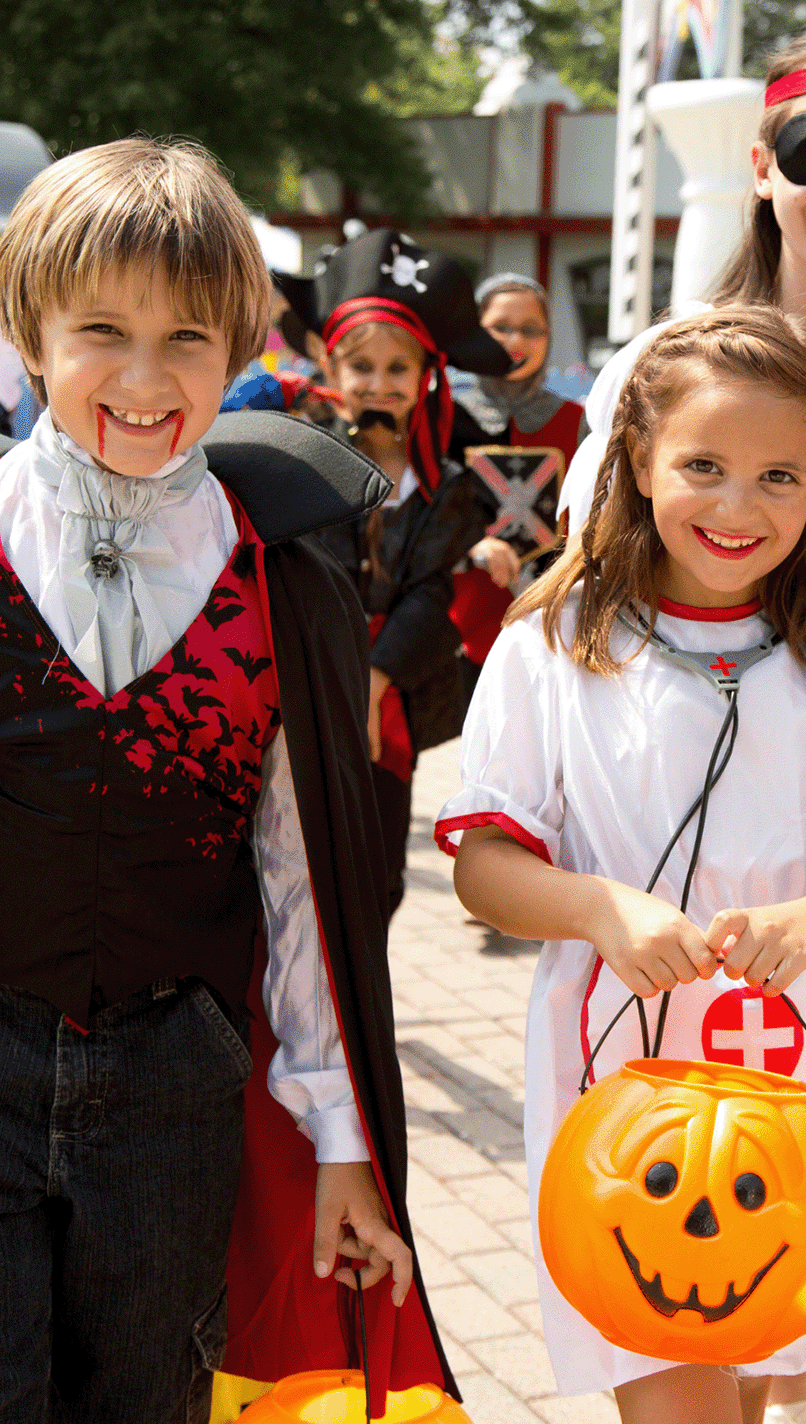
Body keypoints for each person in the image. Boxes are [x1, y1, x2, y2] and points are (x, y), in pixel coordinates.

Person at [437, 306, 806, 1424]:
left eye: (781, 475)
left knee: (760, 1382)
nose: (740, 507)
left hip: (799, 1079)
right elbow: (484, 867)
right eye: (703, 466)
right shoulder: (557, 643)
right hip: (618, 1086)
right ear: (637, 459)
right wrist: (598, 910)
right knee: (670, 1368)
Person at [0, 140, 454, 1416]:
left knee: (149, 1398)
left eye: (189, 339)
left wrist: (343, 1142)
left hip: (174, 1088)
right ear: (30, 331)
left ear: (244, 345)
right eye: (101, 330)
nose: (146, 380)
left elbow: (304, 876)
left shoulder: (279, 570)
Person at [274, 230, 508, 926]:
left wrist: (378, 681)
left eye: (396, 369)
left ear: (426, 373)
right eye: (362, 367)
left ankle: (364, 1022)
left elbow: (436, 594)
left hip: (399, 693)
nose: (379, 385)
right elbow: (315, 576)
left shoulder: (455, 485)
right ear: (332, 367)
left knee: (377, 874)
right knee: (299, 864)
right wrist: (350, 677)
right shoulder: (303, 460)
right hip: (316, 678)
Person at [448, 272, 586, 699]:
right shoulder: (446, 418)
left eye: (531, 329)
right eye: (501, 328)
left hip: (554, 618)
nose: (516, 341)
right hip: (463, 618)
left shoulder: (578, 421)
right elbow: (430, 515)